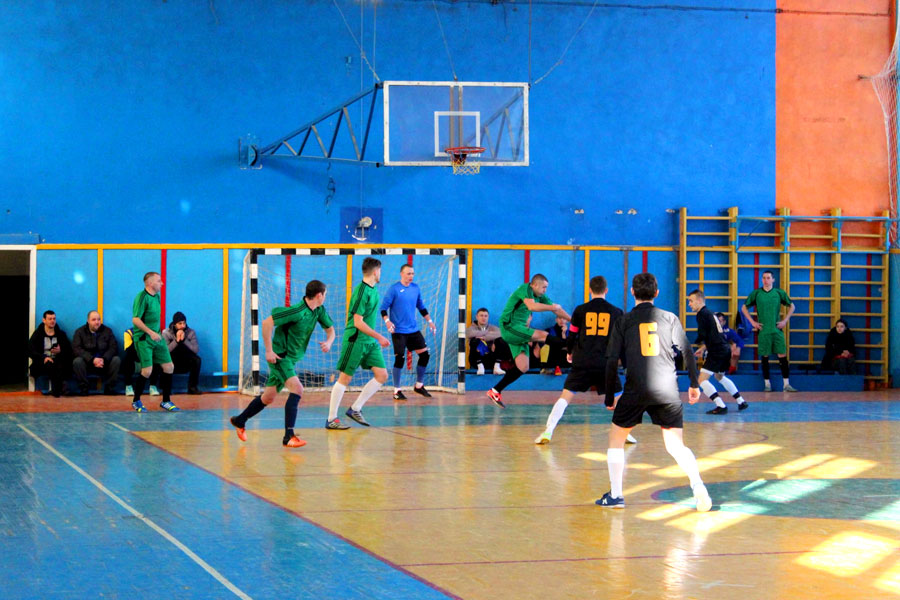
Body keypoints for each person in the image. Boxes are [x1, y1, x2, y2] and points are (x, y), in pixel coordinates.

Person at [596, 273, 711, 512]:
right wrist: (694, 384)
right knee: (676, 446)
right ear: (656, 293)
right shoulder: (669, 318)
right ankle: (698, 486)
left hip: (636, 388)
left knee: (616, 440)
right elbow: (688, 352)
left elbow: (611, 360)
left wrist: (609, 395)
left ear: (632, 292)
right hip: (667, 389)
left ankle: (616, 495)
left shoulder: (624, 321)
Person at [230, 280, 335, 447]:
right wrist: (269, 351)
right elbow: (267, 323)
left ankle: (240, 420)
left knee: (268, 397)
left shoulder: (318, 310)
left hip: (291, 360)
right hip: (280, 357)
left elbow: (331, 330)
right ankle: (289, 436)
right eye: (325, 294)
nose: (325, 297)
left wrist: (329, 342)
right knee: (298, 388)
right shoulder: (296, 311)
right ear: (319, 295)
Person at [535, 276, 636, 445]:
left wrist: (570, 352)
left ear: (590, 290)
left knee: (565, 396)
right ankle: (625, 433)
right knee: (618, 398)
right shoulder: (617, 312)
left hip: (583, 361)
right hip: (606, 363)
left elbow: (572, 335)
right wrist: (625, 364)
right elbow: (622, 341)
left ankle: (548, 430)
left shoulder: (580, 310)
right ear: (606, 290)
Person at [487, 274, 571, 408]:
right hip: (510, 326)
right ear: (535, 285)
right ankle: (572, 345)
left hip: (519, 329)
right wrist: (552, 307)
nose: (545, 290)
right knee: (543, 335)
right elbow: (532, 307)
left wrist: (574, 321)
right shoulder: (525, 289)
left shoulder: (540, 296)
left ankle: (495, 391)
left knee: (523, 366)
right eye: (544, 287)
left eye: (546, 287)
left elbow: (557, 310)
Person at [326, 257, 391, 429]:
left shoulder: (373, 290)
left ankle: (355, 409)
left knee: (382, 375)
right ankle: (331, 419)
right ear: (375, 271)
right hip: (355, 340)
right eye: (380, 270)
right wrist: (379, 336)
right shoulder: (361, 292)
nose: (380, 273)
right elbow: (357, 322)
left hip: (369, 342)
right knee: (345, 378)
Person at [380, 264, 437, 400]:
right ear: (401, 274)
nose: (411, 276)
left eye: (412, 273)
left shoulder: (415, 288)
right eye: (408, 273)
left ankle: (419, 385)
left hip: (413, 330)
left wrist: (430, 321)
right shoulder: (394, 289)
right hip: (399, 331)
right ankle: (396, 390)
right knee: (400, 359)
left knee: (425, 355)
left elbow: (421, 307)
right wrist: (387, 321)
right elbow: (383, 308)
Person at [687, 291, 748, 414]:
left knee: (701, 380)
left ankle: (720, 405)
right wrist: (704, 348)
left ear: (699, 301)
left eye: (691, 301)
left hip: (716, 352)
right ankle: (741, 401)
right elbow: (714, 335)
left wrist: (693, 343)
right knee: (719, 376)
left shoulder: (701, 314)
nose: (689, 304)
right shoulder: (710, 313)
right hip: (725, 349)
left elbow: (702, 334)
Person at [742, 270, 798, 392]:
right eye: (764, 278)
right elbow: (744, 307)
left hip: (776, 330)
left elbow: (792, 306)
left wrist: (785, 321)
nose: (766, 280)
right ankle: (767, 384)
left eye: (768, 278)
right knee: (765, 356)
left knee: (782, 355)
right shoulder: (757, 293)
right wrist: (753, 322)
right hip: (764, 331)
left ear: (773, 279)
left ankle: (786, 384)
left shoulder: (779, 293)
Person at [130, 271, 179, 412]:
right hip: (144, 338)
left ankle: (166, 401)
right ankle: (136, 401)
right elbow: (135, 319)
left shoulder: (157, 297)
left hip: (157, 338)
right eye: (159, 281)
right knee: (147, 370)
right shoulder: (141, 297)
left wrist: (157, 333)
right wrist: (150, 333)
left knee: (169, 367)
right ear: (150, 283)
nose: (162, 283)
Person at [71, 310, 120, 395]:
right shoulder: (80, 332)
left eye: (98, 319)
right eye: (93, 320)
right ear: (88, 321)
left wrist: (104, 359)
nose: (97, 322)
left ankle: (109, 388)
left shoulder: (107, 331)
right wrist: (92, 359)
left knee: (116, 360)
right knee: (77, 361)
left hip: (104, 363)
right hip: (88, 363)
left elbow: (113, 347)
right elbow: (76, 349)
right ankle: (84, 388)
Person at [28, 310, 72, 397]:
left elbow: (69, 350)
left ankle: (59, 389)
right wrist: (43, 357)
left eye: (54, 319)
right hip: (42, 362)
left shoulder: (61, 334)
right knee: (50, 364)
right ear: (44, 320)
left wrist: (60, 350)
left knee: (61, 363)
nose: (52, 321)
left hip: (58, 361)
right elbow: (30, 350)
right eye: (50, 319)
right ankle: (58, 390)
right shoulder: (38, 334)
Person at [161, 311, 202, 394]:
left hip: (185, 360)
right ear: (174, 324)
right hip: (172, 360)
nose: (183, 326)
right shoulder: (166, 333)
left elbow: (195, 350)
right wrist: (176, 340)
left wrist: (184, 340)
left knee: (197, 360)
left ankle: (192, 387)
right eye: (180, 323)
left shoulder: (191, 332)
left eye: (184, 323)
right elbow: (165, 351)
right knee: (163, 360)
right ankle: (166, 388)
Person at [465, 308, 509, 375]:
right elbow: (469, 334)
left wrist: (485, 337)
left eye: (486, 316)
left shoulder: (492, 327)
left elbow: (502, 333)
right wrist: (489, 333)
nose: (484, 318)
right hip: (476, 360)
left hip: (490, 359)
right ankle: (480, 367)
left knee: (501, 340)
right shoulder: (471, 328)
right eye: (481, 315)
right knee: (475, 340)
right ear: (477, 317)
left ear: (488, 317)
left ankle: (497, 367)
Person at [123, 328, 161, 398]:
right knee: (127, 359)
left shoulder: (152, 332)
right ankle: (128, 386)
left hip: (147, 359)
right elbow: (128, 350)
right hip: (135, 359)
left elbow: (155, 348)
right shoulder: (129, 332)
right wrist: (137, 338)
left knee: (156, 357)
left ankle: (153, 386)